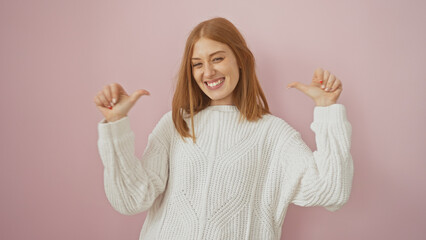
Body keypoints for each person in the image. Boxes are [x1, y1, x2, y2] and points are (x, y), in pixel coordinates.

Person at [94, 17, 353, 240]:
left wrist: (327, 109)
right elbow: (131, 200)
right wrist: (116, 126)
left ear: (240, 59)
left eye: (217, 58)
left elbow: (332, 191)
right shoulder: (175, 126)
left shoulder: (273, 135)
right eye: (197, 64)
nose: (208, 72)